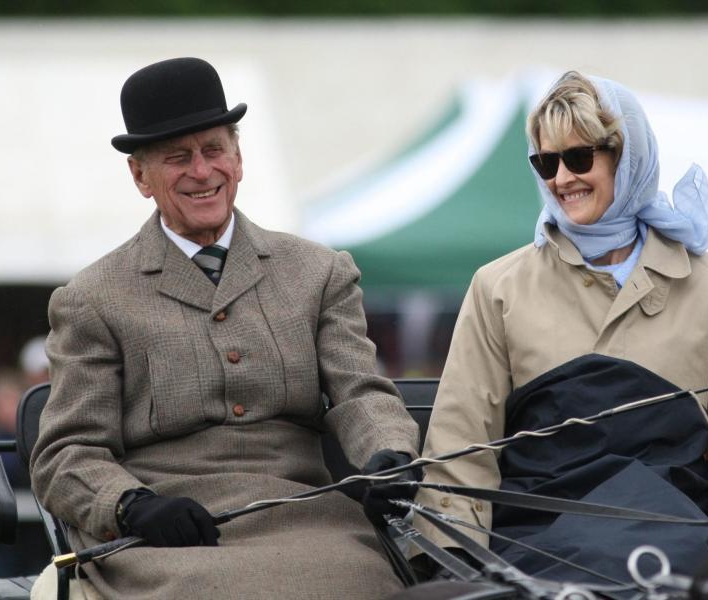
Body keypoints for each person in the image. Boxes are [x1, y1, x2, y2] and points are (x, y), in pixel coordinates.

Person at [29, 57, 419, 599]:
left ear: (238, 157)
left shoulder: (318, 272)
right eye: (178, 158)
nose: (202, 171)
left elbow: (360, 394)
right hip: (165, 537)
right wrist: (131, 505)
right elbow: (65, 453)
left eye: (214, 150)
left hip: (309, 521)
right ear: (140, 176)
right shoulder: (93, 299)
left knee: (367, 584)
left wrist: (390, 456)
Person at [411, 72, 708, 584]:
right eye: (546, 163)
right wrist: (455, 569)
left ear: (627, 154)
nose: (561, 179)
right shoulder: (497, 287)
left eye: (579, 157)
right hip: (537, 556)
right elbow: (461, 449)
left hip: (680, 550)